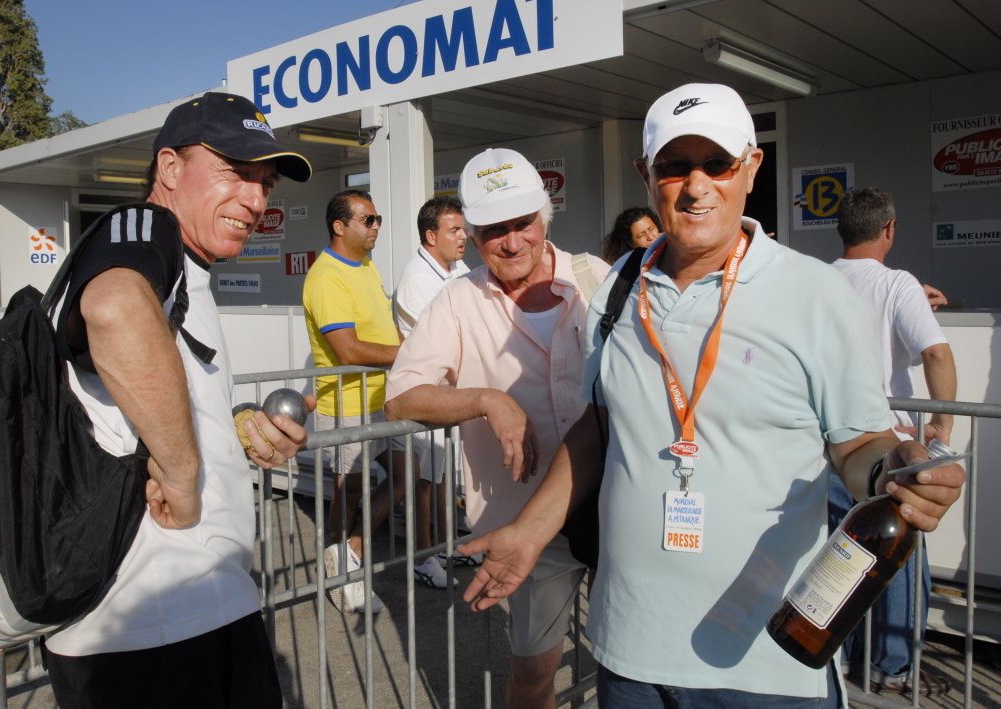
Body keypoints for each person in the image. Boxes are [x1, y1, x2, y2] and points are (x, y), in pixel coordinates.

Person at [457, 84, 965, 707]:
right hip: (630, 651)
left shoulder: (814, 293)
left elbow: (858, 442)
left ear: (751, 168)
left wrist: (895, 468)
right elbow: (596, 427)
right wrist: (530, 531)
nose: (696, 186)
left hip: (766, 663)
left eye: (716, 164)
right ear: (647, 175)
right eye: (675, 167)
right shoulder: (619, 285)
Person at [42, 92, 315, 708]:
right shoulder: (141, 230)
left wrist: (230, 429)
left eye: (265, 183)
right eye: (236, 174)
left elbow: (133, 395)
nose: (255, 199)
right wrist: (185, 471)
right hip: (144, 632)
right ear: (169, 169)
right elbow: (114, 311)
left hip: (198, 613)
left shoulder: (183, 265)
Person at [385, 147, 610, 709]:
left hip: (615, 509)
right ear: (473, 232)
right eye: (493, 230)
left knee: (626, 666)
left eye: (523, 224)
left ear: (544, 217)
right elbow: (400, 396)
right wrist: (486, 400)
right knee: (533, 676)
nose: (512, 242)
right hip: (526, 524)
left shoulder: (595, 279)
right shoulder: (458, 301)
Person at [829, 186, 958, 696]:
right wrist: (943, 427)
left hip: (830, 447)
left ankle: (833, 662)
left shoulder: (817, 280)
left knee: (837, 562)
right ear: (889, 230)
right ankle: (891, 668)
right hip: (887, 450)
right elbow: (938, 356)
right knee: (898, 564)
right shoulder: (896, 283)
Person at [303, 189, 411, 614]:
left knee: (405, 475)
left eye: (377, 218)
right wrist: (410, 353)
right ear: (339, 226)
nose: (376, 227)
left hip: (383, 398)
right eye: (367, 220)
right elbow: (347, 350)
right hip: (346, 404)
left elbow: (380, 329)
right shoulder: (326, 276)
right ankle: (340, 570)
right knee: (348, 492)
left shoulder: (364, 264)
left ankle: (347, 551)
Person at [393, 195, 471, 589]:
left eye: (463, 228)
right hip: (423, 389)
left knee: (440, 474)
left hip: (448, 390)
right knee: (423, 478)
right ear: (430, 235)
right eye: (454, 230)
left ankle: (444, 546)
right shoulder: (417, 277)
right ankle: (422, 557)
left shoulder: (457, 268)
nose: (464, 237)